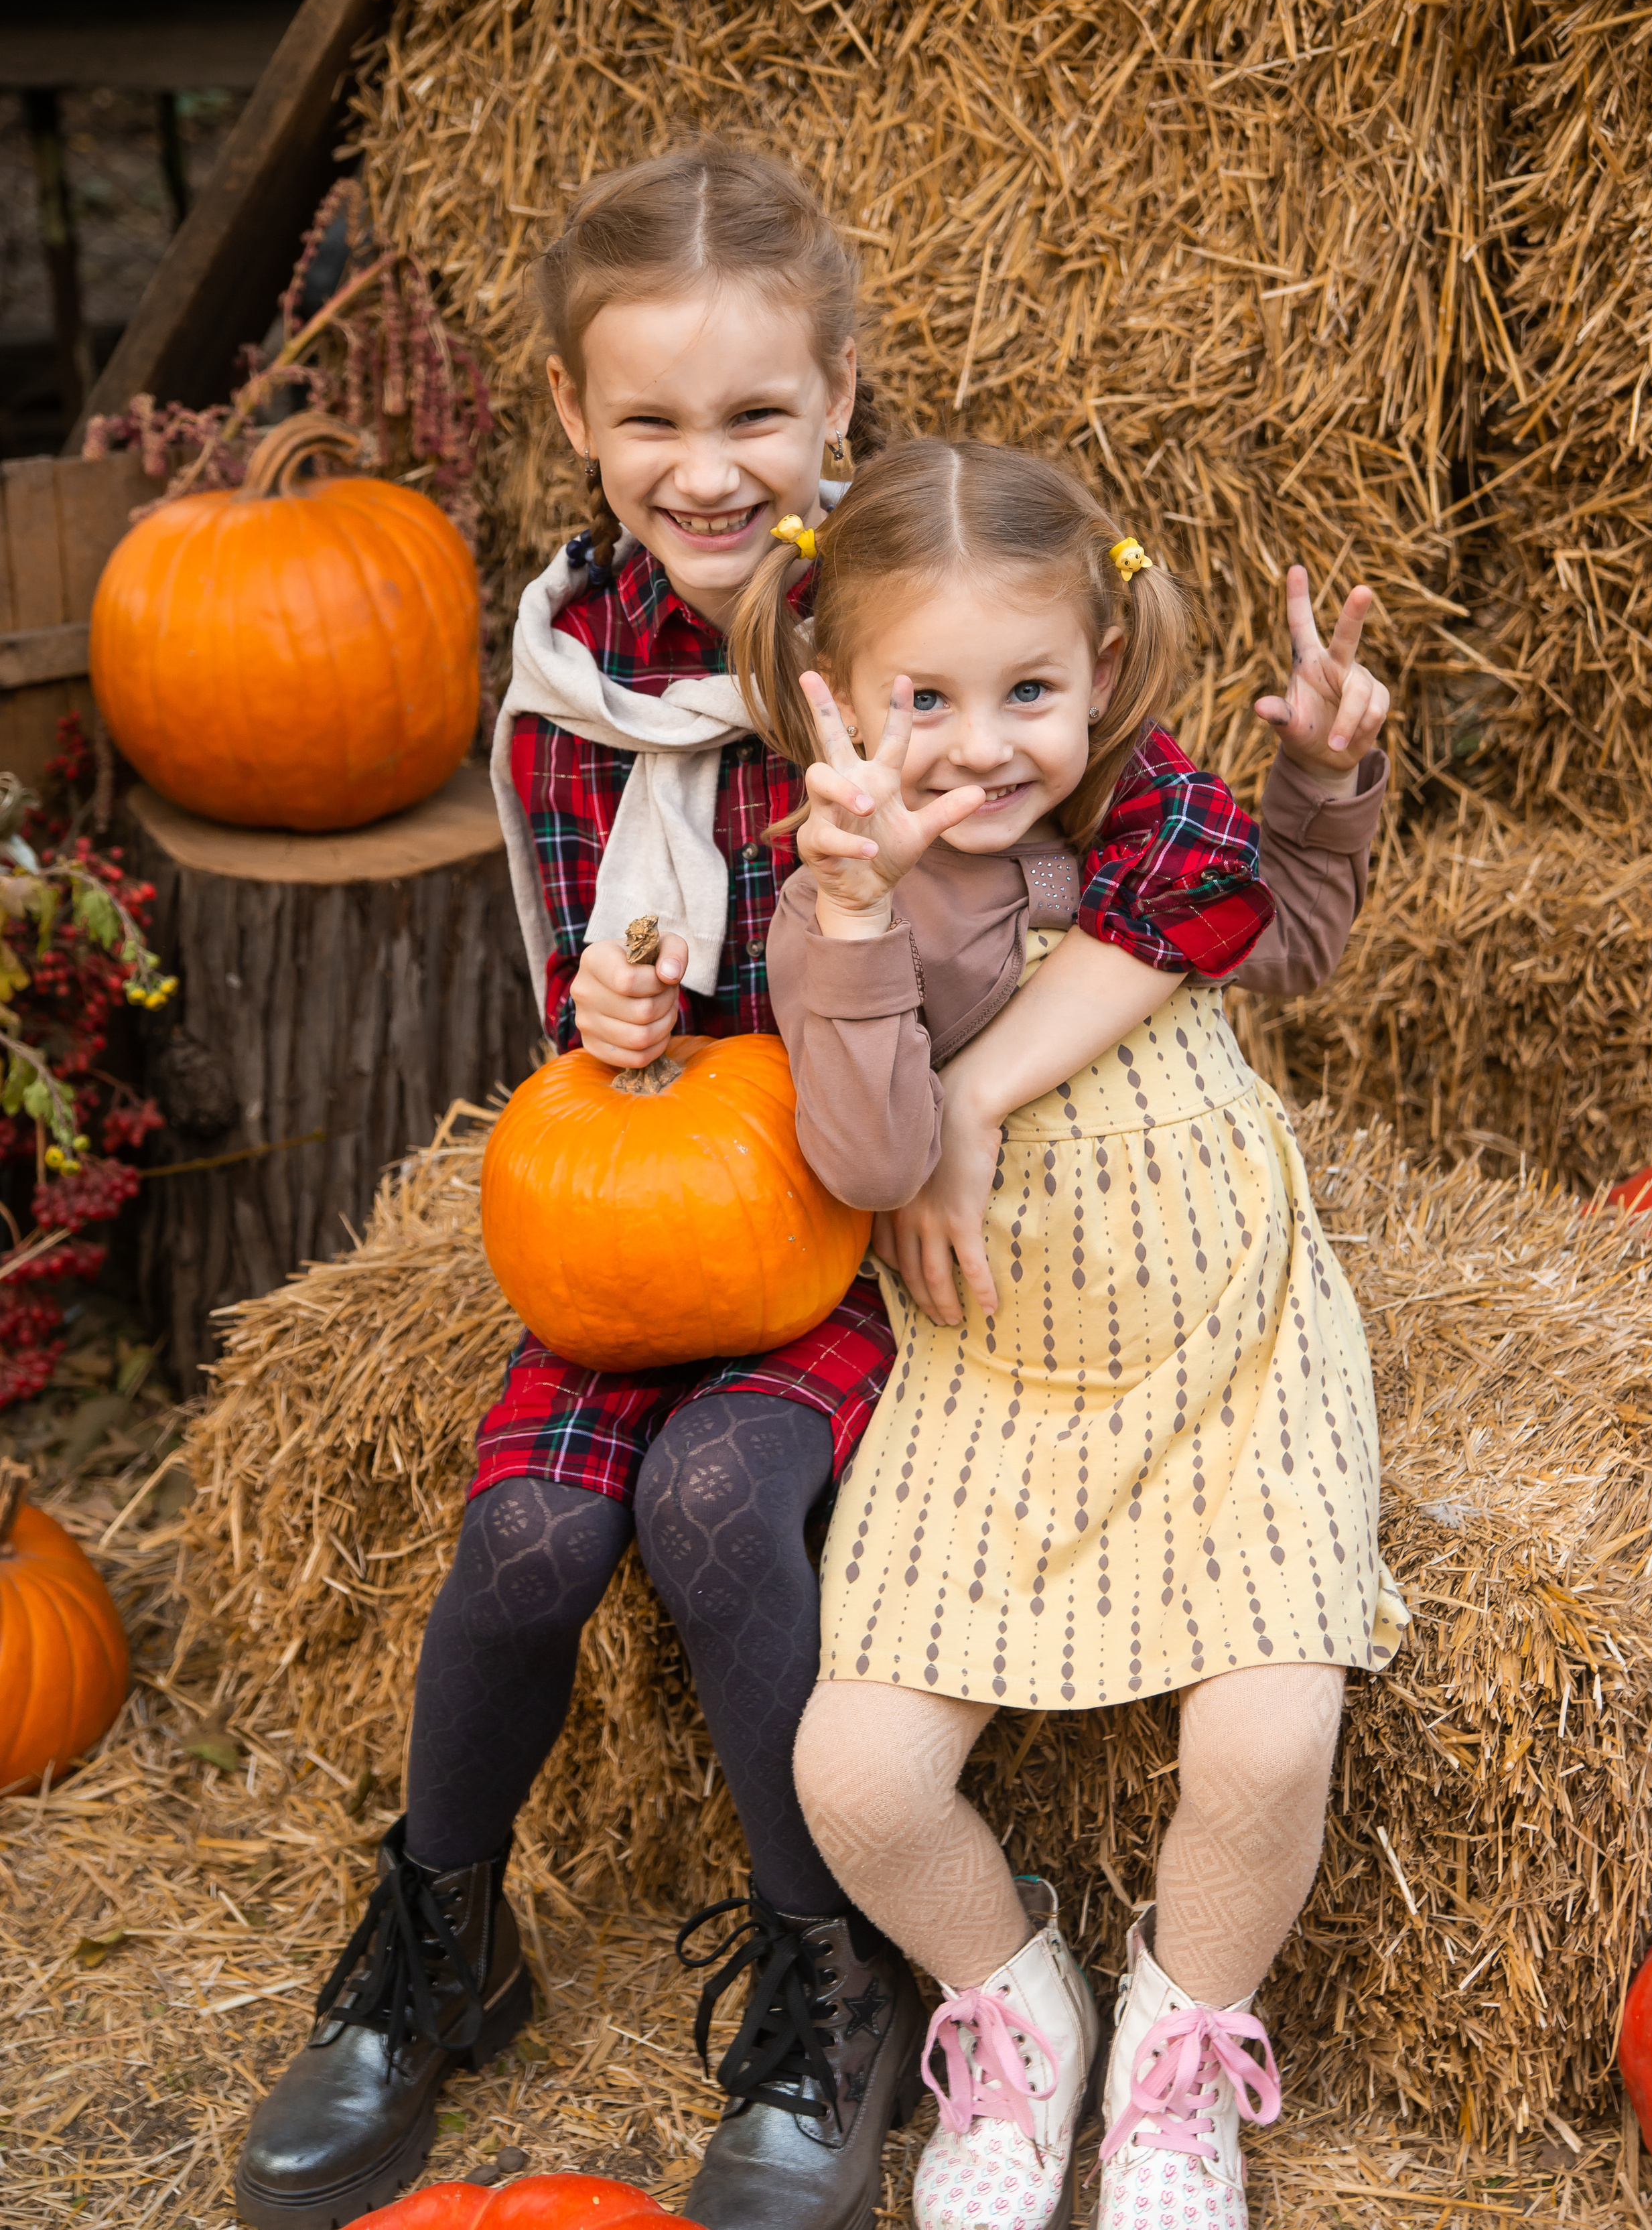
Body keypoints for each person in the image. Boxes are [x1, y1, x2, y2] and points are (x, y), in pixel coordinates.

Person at [235, 144, 1393, 2230]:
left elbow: (1202, 888)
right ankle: (433, 1933)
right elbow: (662, 1021)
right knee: (521, 1524)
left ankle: (840, 1979)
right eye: (651, 420)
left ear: (842, 395)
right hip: (709, 1165)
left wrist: (1302, 786)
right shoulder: (578, 677)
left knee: (709, 1500)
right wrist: (625, 1012)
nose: (703, 467)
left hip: (927, 1232)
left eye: (753, 415)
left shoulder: (933, 622)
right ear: (573, 421)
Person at [737, 437, 1408, 2230]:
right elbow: (876, 1152)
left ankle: (1183, 2048)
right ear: (838, 698)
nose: (980, 740)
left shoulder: (1156, 813)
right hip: (1002, 1389)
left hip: (1233, 1353)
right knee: (857, 1778)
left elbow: (1302, 929)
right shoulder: (843, 909)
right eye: (924, 696)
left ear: (1102, 672)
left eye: (1028, 687)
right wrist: (865, 915)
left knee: (1267, 1739)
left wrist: (1325, 775)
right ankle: (1010, 2003)